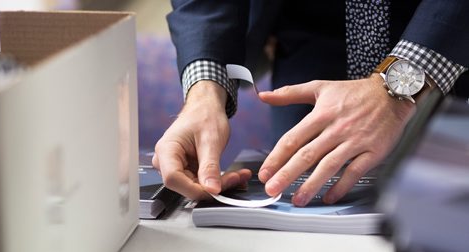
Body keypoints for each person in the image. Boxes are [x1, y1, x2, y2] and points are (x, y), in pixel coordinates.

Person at [153, 0, 469, 207]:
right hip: (311, 46)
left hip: (453, 48)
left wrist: (396, 85)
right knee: (299, 213)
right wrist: (203, 94)